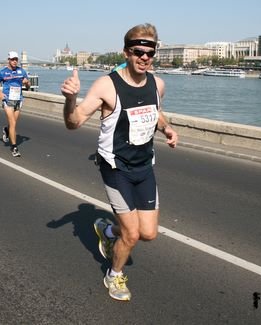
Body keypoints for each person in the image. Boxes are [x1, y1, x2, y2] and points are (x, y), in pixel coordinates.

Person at [61, 23, 178, 301]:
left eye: (150, 53)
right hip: (115, 169)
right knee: (133, 234)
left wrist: (168, 129)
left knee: (149, 234)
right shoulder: (107, 85)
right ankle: (114, 275)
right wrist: (70, 99)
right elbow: (73, 122)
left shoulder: (157, 84)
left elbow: (155, 113)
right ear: (126, 52)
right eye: (138, 51)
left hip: (144, 167)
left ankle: (107, 229)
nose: (144, 58)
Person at [0, 51, 30, 157]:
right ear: (8, 60)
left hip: (18, 100)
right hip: (8, 100)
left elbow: (28, 87)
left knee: (13, 124)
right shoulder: (3, 72)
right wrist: (0, 93)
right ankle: (14, 147)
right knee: (13, 124)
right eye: (12, 59)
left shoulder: (22, 71)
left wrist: (27, 83)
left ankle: (6, 129)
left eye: (16, 59)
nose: (14, 61)